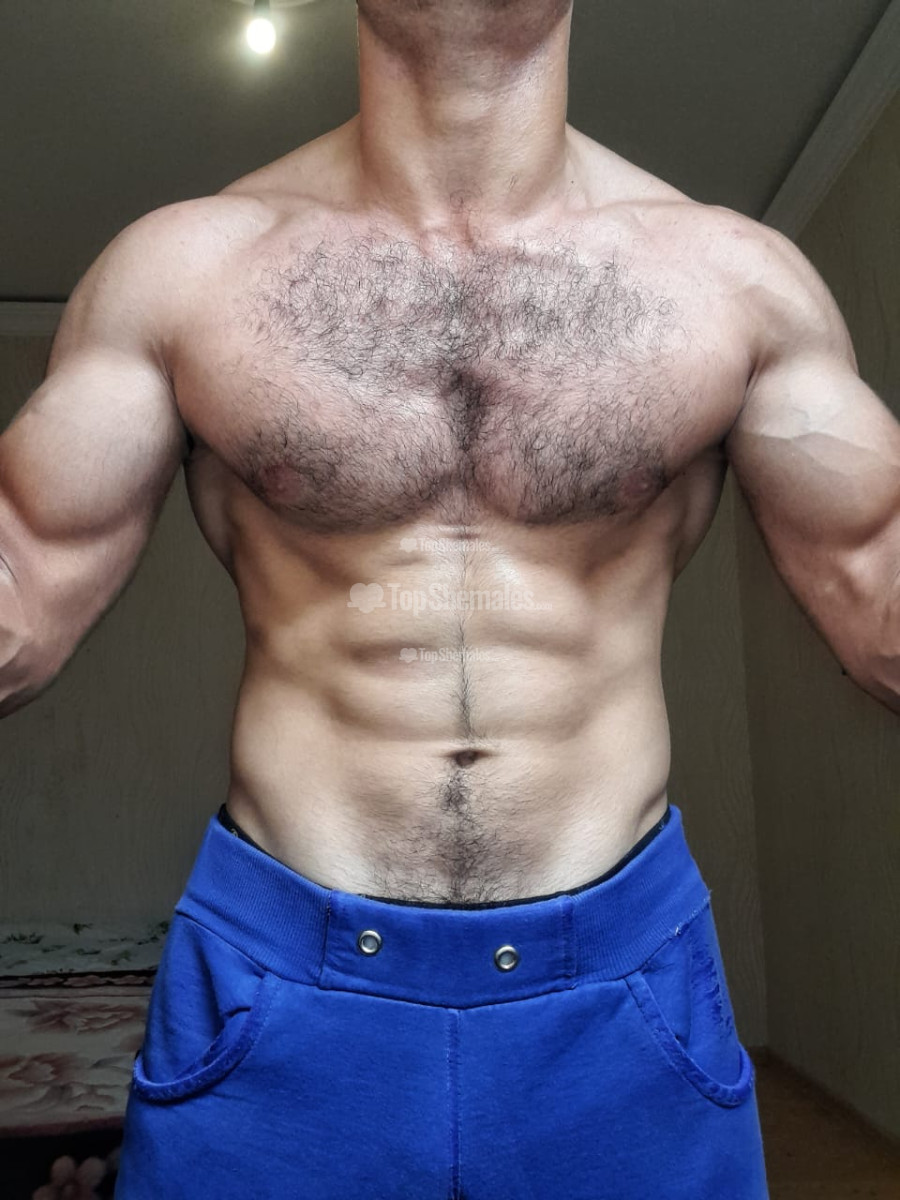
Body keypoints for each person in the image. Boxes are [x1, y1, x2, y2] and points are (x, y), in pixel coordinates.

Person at [1, 1, 898, 1196]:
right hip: (281, 987)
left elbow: (878, 594)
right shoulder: (186, 272)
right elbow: (23, 595)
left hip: (620, 993)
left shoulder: (734, 284)